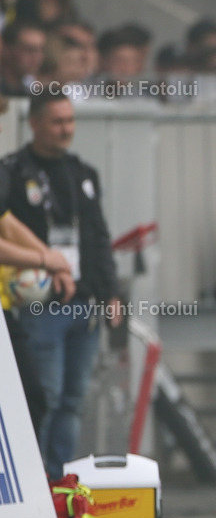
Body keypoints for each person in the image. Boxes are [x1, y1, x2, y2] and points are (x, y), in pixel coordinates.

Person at [1, 90, 122, 480]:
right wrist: (43, 262)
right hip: (39, 302)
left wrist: (110, 292)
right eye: (57, 122)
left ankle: (59, 484)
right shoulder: (13, 172)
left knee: (73, 401)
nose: (66, 129)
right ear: (34, 122)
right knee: (44, 396)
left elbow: (99, 238)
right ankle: (32, 483)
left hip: (82, 301)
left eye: (70, 121)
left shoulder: (83, 174)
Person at [0, 21, 46, 97]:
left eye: (41, 50)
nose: (38, 57)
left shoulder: (33, 92)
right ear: (7, 50)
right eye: (30, 50)